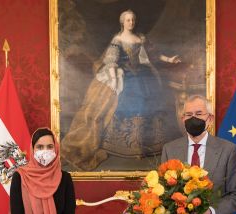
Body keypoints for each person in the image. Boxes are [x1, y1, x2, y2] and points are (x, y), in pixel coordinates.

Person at [62, 9, 181, 171]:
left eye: (132, 20)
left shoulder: (140, 38)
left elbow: (153, 54)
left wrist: (169, 59)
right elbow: (111, 60)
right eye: (128, 20)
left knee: (152, 101)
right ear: (122, 22)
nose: (131, 22)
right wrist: (114, 76)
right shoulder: (118, 39)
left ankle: (147, 143)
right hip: (125, 75)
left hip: (143, 74)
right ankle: (124, 144)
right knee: (131, 100)